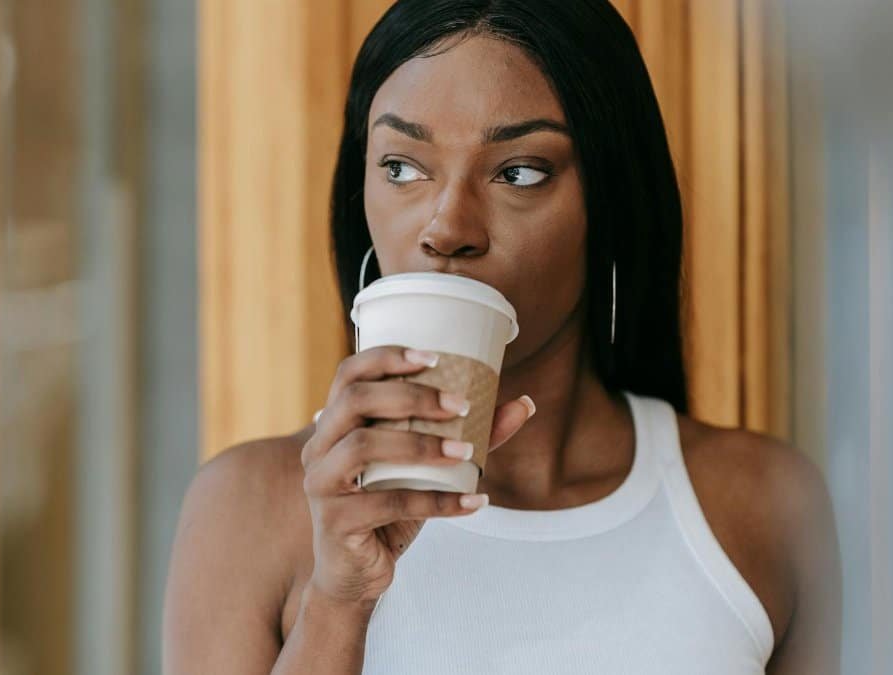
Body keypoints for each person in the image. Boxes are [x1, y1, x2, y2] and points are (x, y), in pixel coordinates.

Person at [164, 1, 841, 672]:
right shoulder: (247, 510)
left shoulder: (765, 507)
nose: (446, 226)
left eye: (519, 172)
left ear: (610, 203)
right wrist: (338, 601)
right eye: (401, 166)